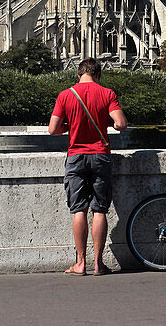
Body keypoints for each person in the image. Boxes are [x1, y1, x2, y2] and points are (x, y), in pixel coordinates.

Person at [48, 57, 128, 276]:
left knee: (78, 210)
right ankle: (98, 264)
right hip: (100, 155)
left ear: (78, 74)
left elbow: (53, 129)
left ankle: (81, 263)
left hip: (76, 156)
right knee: (100, 209)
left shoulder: (66, 95)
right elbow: (121, 124)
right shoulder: (107, 93)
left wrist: (70, 125)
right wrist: (105, 121)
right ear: (98, 74)